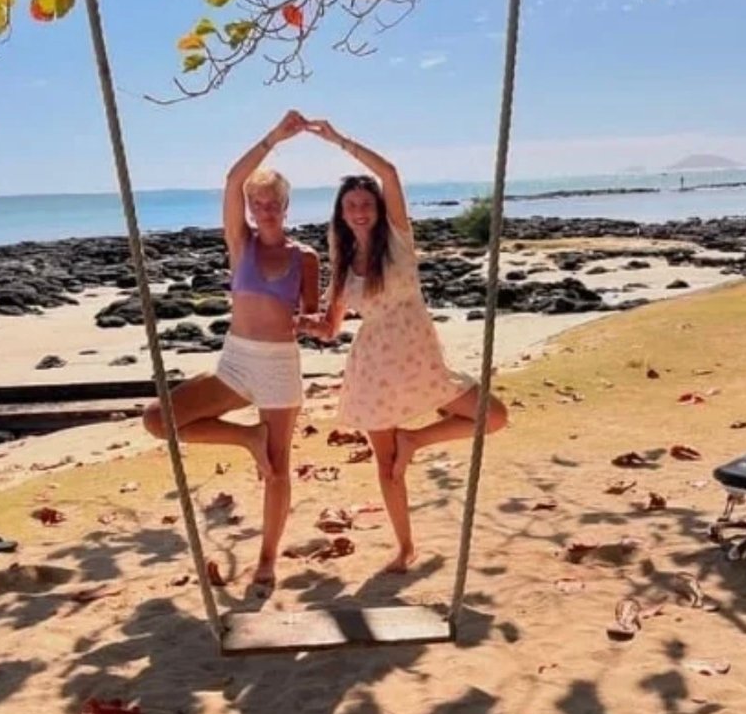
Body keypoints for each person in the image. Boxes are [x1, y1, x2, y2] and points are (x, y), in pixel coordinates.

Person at [297, 119, 509, 573]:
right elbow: (331, 329)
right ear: (341, 212)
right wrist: (298, 322)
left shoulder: (398, 239)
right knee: (386, 464)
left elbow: (389, 173)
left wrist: (337, 140)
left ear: (377, 208)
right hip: (373, 366)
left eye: (365, 203)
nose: (359, 210)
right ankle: (405, 547)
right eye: (351, 205)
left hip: (418, 358)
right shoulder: (342, 263)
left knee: (492, 416)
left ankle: (416, 439)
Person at [142, 110, 320, 585]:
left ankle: (267, 560)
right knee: (159, 421)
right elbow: (232, 177)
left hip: (281, 365)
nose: (264, 208)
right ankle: (247, 438)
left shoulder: (306, 257)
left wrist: (317, 321)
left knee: (279, 470)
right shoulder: (239, 244)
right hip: (238, 360)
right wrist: (274, 138)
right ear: (249, 207)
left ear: (285, 206)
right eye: (256, 201)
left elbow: (315, 318)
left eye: (272, 202)